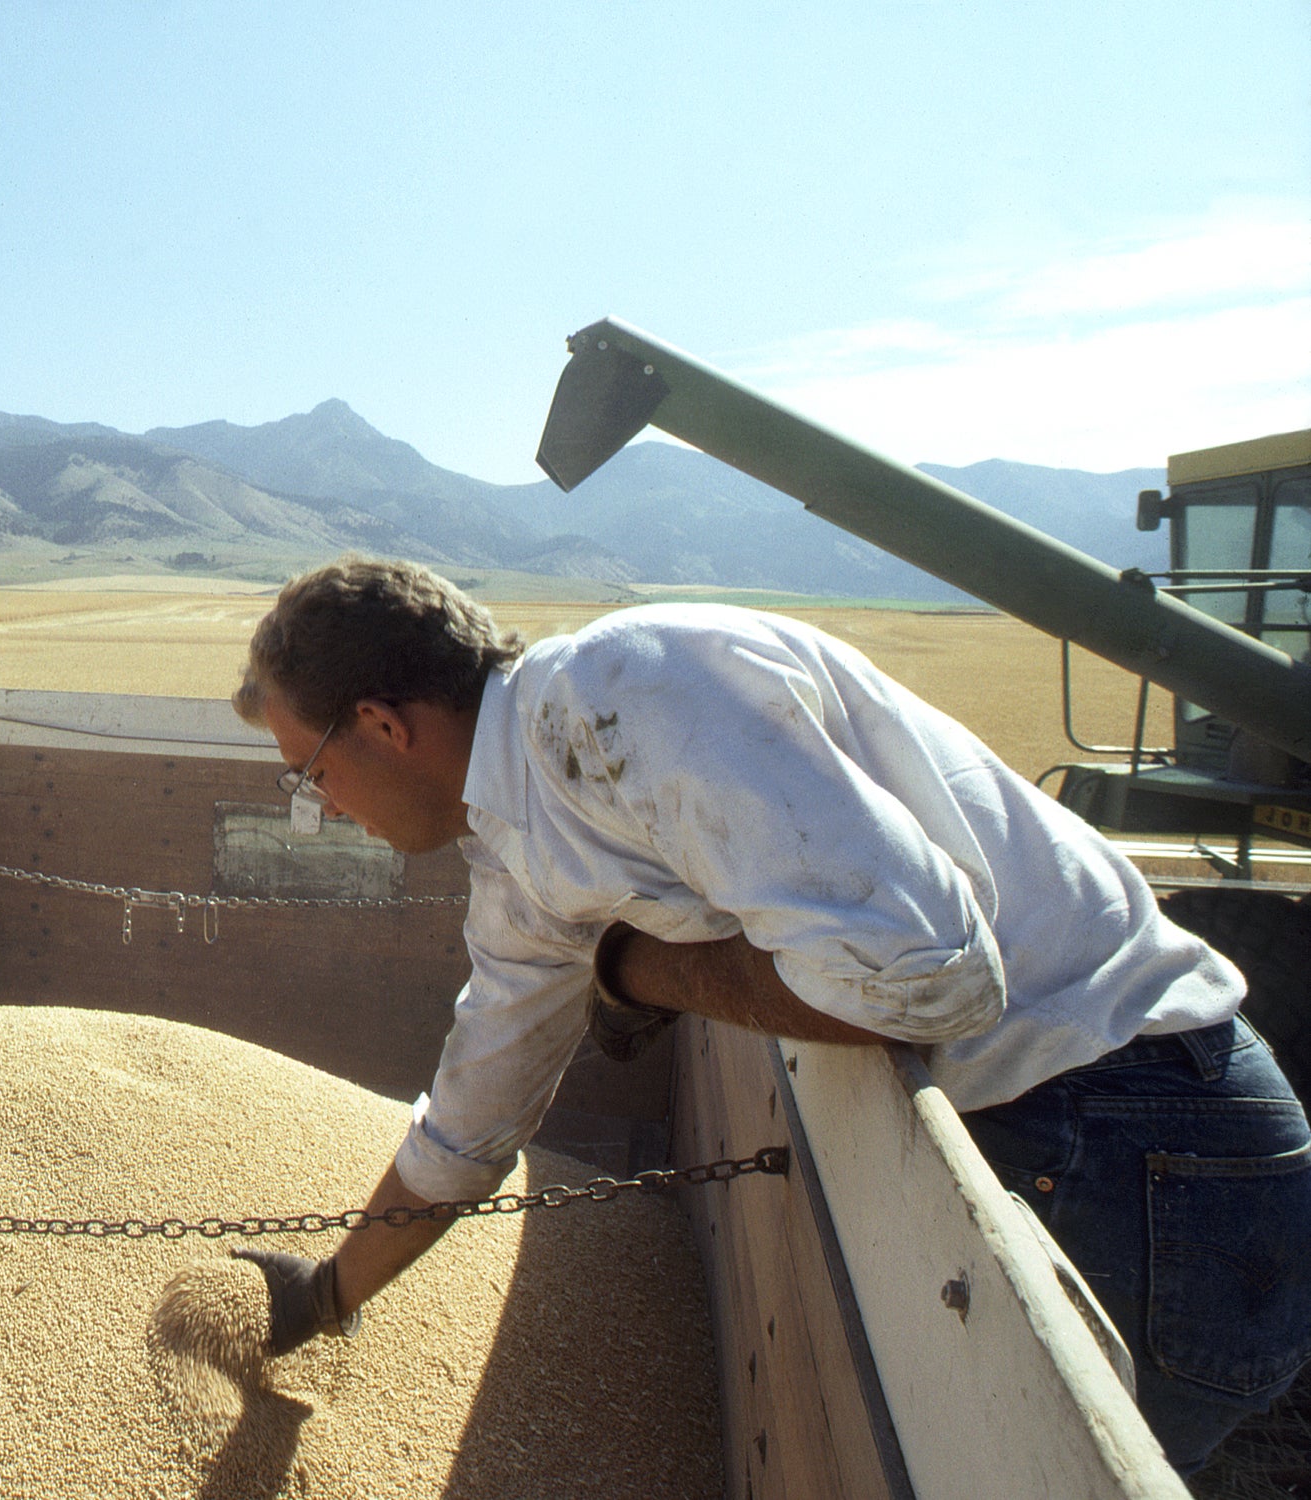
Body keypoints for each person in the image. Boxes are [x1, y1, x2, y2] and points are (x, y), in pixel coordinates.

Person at [227, 555, 1311, 1475]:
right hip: (1061, 1130)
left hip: (1147, 1134)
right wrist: (326, 1296)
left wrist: (641, 973)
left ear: (383, 724)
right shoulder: (519, 850)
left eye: (310, 771)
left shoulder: (625, 695)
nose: (317, 807)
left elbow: (928, 979)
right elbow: (473, 1117)